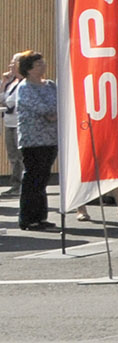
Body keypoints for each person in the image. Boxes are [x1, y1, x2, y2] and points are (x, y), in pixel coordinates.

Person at [8, 52, 56, 229]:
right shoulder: (24, 87)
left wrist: (53, 113)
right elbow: (41, 109)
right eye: (38, 64)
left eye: (43, 63)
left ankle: (41, 216)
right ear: (28, 69)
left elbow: (59, 105)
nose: (43, 66)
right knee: (32, 178)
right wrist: (52, 113)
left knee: (43, 178)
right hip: (32, 140)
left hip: (51, 139)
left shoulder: (50, 85)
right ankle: (28, 218)